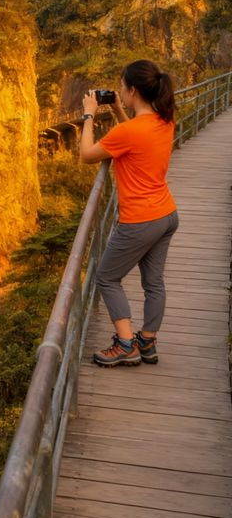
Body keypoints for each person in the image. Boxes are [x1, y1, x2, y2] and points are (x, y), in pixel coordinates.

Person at [80, 59, 179, 367]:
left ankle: (125, 344)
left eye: (122, 88)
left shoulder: (130, 133)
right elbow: (136, 135)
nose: (119, 91)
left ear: (133, 90)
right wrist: (118, 111)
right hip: (166, 214)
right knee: (154, 283)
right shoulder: (165, 120)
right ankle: (147, 342)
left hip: (139, 219)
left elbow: (86, 154)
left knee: (107, 277)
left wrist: (88, 115)